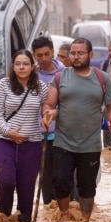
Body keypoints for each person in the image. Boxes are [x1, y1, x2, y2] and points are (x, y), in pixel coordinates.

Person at [41, 38, 111, 221]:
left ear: (90, 55)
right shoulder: (60, 77)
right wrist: (48, 114)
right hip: (63, 142)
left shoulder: (102, 78)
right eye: (73, 53)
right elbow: (49, 104)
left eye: (80, 53)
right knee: (60, 182)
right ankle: (65, 216)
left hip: (90, 144)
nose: (76, 57)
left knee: (87, 187)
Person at [0, 49, 49, 222]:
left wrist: (46, 117)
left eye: (25, 64)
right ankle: (4, 218)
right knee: (5, 180)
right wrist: (9, 132)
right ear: (13, 66)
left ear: (32, 67)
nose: (21, 67)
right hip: (5, 142)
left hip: (32, 145)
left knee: (27, 187)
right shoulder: (4, 84)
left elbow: (48, 106)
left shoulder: (41, 87)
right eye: (18, 64)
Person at [32, 36, 65, 205]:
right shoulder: (31, 75)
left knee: (61, 176)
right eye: (39, 55)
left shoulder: (64, 73)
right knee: (44, 177)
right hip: (39, 134)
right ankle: (48, 210)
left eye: (47, 54)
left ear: (53, 52)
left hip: (62, 134)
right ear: (34, 55)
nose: (44, 59)